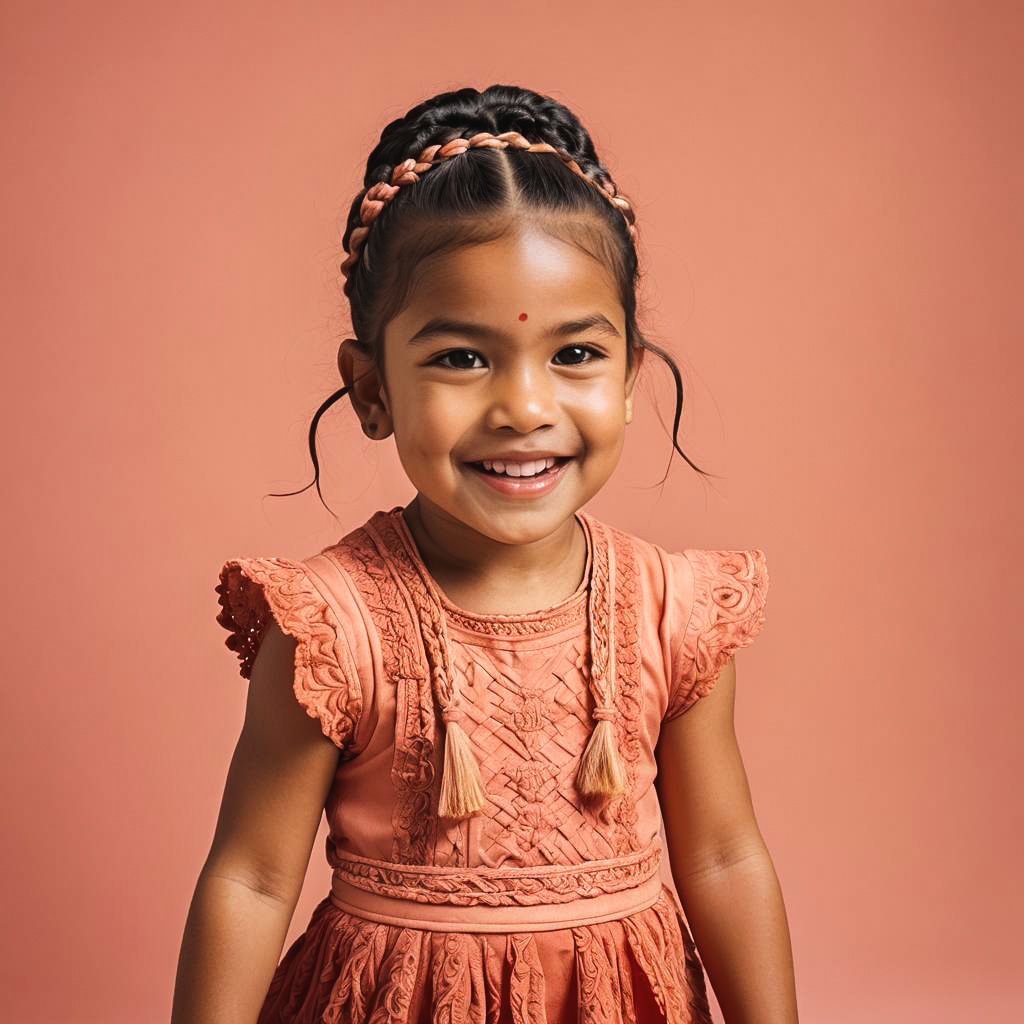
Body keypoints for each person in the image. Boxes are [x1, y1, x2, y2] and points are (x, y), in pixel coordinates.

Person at [172, 83, 799, 1024]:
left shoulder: (671, 609)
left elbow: (721, 855)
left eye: (576, 355)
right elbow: (253, 879)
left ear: (631, 376)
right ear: (370, 389)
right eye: (462, 359)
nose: (524, 406)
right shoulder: (331, 627)